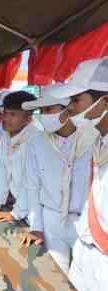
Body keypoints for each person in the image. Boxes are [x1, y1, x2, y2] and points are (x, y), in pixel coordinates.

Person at [20, 83, 99, 274]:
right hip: (52, 220)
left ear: (69, 109)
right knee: (56, 278)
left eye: (48, 109)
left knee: (87, 285)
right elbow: (32, 186)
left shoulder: (93, 139)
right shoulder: (36, 144)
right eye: (41, 111)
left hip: (86, 224)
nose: (44, 116)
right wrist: (36, 226)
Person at [47, 58, 108, 291]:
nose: (68, 108)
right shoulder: (98, 140)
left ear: (105, 102)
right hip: (86, 249)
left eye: (75, 100)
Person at [0, 91, 41, 222]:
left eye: (13, 114)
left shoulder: (36, 139)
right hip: (20, 204)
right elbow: (2, 169)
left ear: (27, 119)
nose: (5, 118)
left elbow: (31, 182)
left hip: (37, 210)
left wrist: (15, 214)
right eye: (5, 113)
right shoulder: (7, 134)